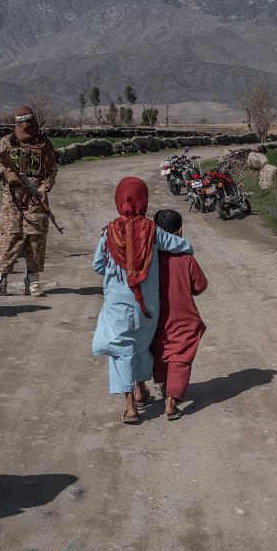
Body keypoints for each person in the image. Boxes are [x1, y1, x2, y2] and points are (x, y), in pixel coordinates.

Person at [92, 177, 192, 424]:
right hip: (148, 306)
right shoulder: (153, 231)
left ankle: (130, 407)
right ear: (144, 201)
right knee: (142, 345)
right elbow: (183, 246)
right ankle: (140, 387)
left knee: (121, 351)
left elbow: (97, 265)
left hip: (118, 305)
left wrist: (117, 273)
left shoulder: (109, 233)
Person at [0, 105, 59, 297]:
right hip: (12, 202)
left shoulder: (45, 145)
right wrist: (7, 174)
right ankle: (0, 280)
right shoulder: (8, 142)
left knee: (35, 240)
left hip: (36, 200)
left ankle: (32, 281)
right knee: (8, 238)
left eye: (28, 121)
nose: (25, 126)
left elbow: (52, 169)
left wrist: (44, 187)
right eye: (21, 122)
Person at [150, 209, 208, 420]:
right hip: (183, 315)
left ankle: (164, 385)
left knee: (162, 350)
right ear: (180, 230)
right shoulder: (186, 258)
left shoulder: (150, 258)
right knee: (180, 355)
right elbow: (200, 286)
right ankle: (172, 400)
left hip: (157, 317)